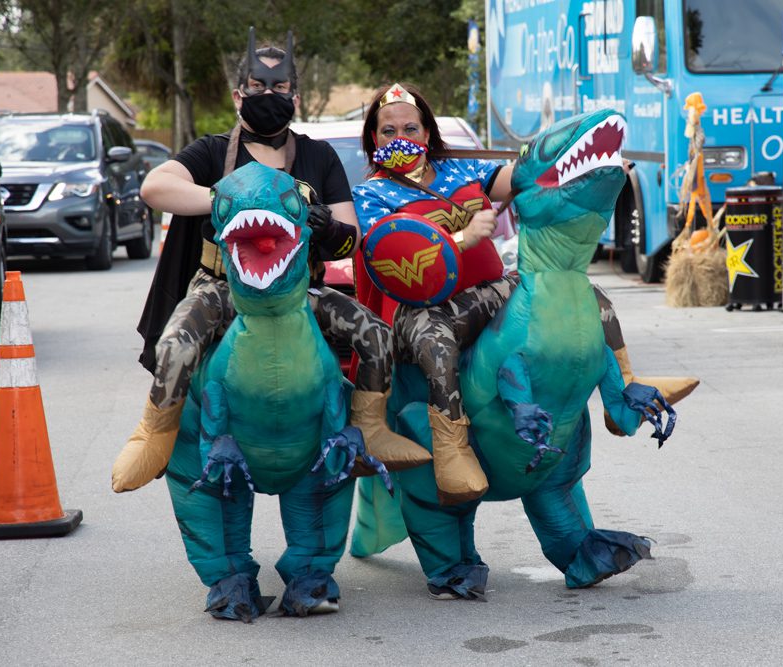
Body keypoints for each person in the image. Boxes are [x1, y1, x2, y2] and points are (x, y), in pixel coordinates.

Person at [352, 83, 698, 506]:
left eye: (410, 128)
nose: (401, 138)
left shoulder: (460, 170)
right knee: (434, 339)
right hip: (426, 310)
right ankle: (451, 444)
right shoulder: (370, 194)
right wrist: (462, 238)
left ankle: (623, 391)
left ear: (427, 132)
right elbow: (390, 256)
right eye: (389, 131)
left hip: (490, 292)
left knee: (584, 294)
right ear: (374, 137)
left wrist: (591, 170)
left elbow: (527, 178)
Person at [112, 32, 428, 493]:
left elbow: (349, 237)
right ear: (238, 94)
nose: (268, 94)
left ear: (294, 97)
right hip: (223, 288)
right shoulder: (211, 152)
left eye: (279, 88)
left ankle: (371, 429)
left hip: (300, 291)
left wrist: (325, 226)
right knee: (176, 343)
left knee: (376, 335)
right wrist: (227, 200)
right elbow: (155, 187)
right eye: (257, 86)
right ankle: (155, 434)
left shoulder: (318, 156)